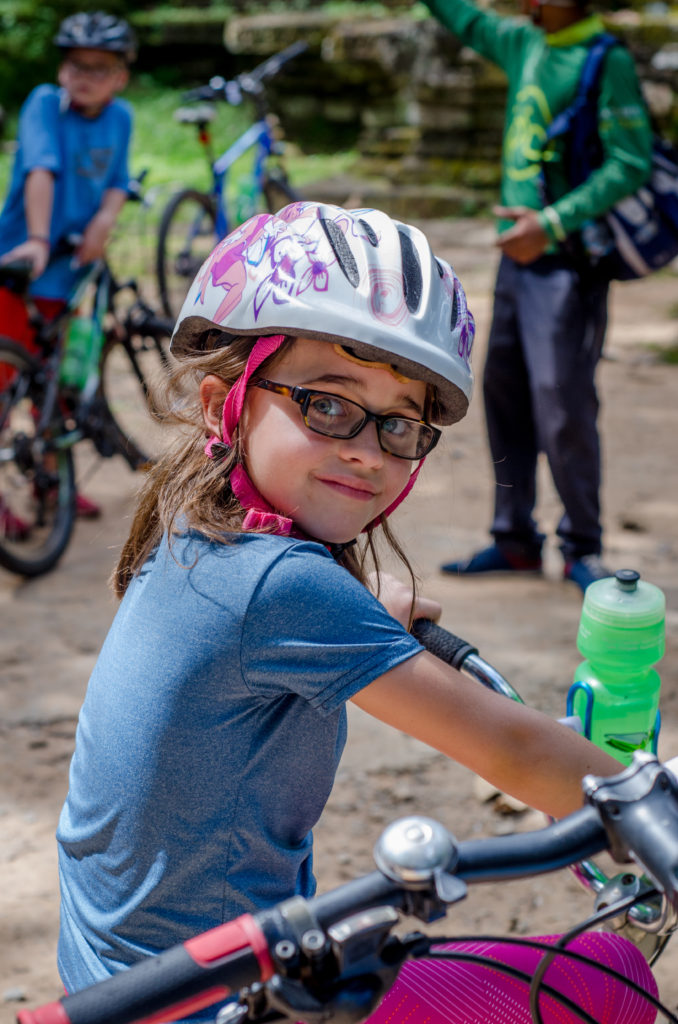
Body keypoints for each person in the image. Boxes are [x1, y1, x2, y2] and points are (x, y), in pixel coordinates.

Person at [55, 203, 656, 1024]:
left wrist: (367, 614)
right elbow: (516, 747)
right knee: (606, 973)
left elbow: (261, 623)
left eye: (400, 423)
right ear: (219, 404)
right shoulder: (285, 590)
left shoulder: (195, 534)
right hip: (219, 1008)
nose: (366, 449)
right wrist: (654, 805)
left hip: (125, 989)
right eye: (326, 405)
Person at [422, 0, 653, 593]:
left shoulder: (604, 59)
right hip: (515, 262)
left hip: (566, 265)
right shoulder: (526, 44)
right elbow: (464, 20)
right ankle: (514, 539)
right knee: (502, 391)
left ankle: (583, 546)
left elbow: (631, 162)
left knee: (562, 400)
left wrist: (549, 224)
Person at [0, 10, 135, 521]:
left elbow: (119, 179)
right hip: (23, 265)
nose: (85, 76)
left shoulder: (121, 117)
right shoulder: (43, 105)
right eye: (76, 65)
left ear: (120, 77)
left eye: (100, 68)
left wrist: (104, 220)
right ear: (61, 69)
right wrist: (36, 238)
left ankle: (52, 483)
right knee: (6, 376)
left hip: (70, 273)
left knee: (57, 382)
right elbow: (41, 169)